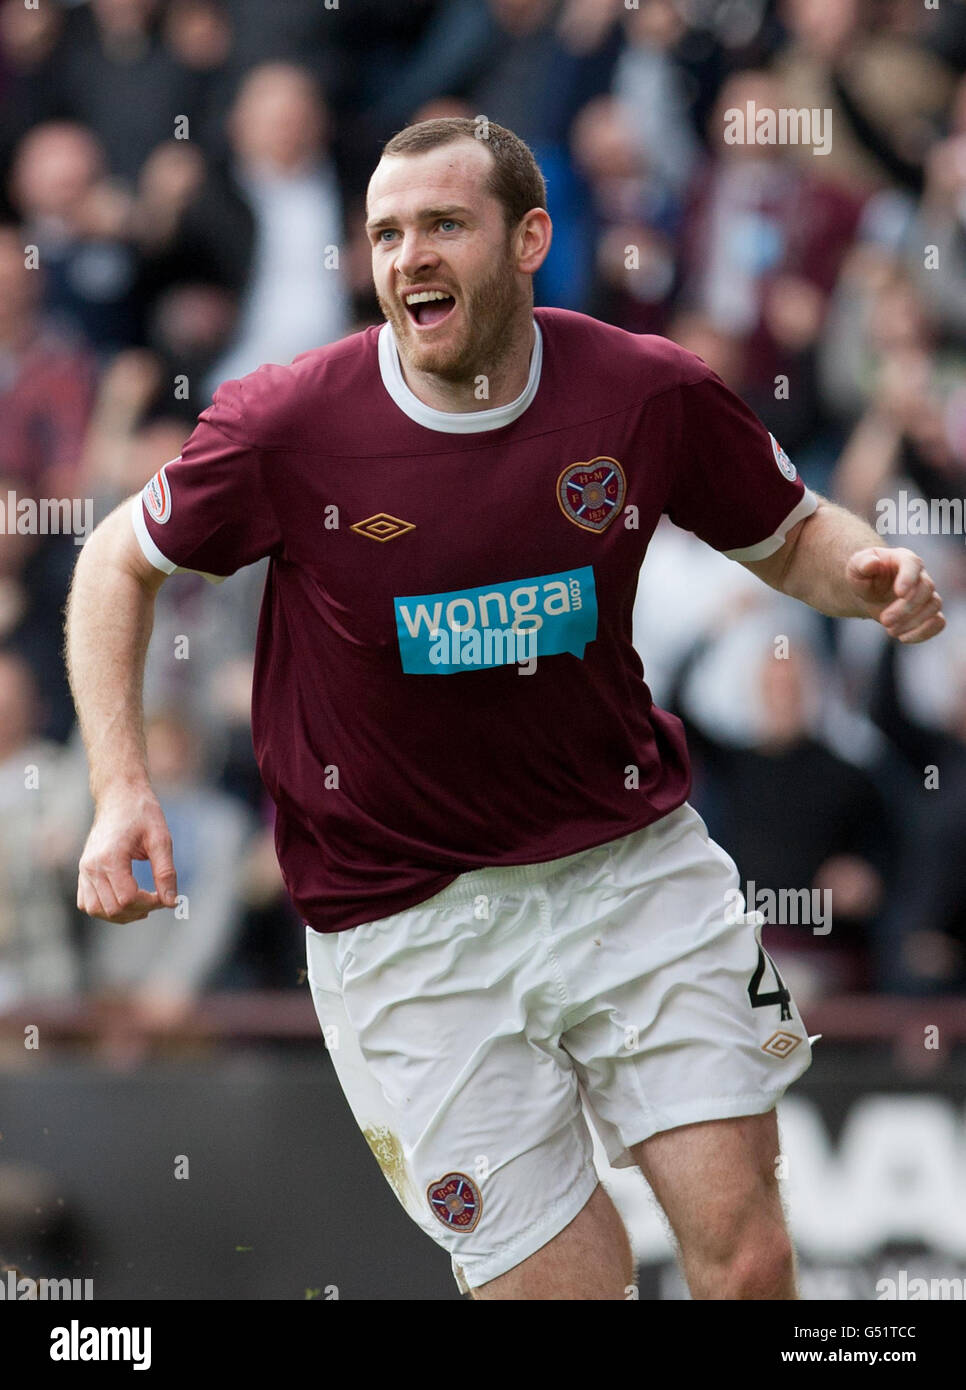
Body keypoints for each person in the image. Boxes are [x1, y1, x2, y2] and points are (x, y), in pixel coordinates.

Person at [64, 117, 945, 1301]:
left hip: (626, 870)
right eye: (385, 233)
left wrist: (866, 574)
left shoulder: (647, 393)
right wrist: (121, 785)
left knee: (749, 1262)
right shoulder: (289, 425)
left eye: (442, 225)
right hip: (404, 928)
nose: (408, 256)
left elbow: (791, 537)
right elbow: (116, 561)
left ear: (530, 238)